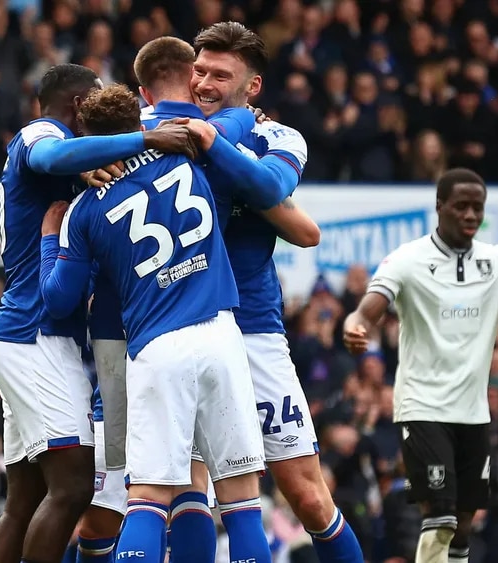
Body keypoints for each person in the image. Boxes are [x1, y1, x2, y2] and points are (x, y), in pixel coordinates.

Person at [38, 85, 271, 563]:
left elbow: (59, 299)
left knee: (147, 499)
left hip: (157, 347)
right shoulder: (186, 151)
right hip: (222, 335)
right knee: (241, 502)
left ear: (90, 140)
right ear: (137, 123)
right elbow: (237, 121)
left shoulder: (83, 209)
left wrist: (48, 239)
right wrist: (242, 112)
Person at [0, 63, 198, 563]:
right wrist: (146, 137)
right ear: (78, 104)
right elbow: (51, 154)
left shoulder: (77, 167)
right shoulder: (40, 133)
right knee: (74, 487)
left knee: (24, 502)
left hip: (28, 336)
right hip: (37, 336)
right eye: (95, 102)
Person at [182, 21, 365, 563]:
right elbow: (299, 226)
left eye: (221, 75)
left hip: (254, 329)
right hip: (181, 325)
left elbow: (276, 190)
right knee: (189, 491)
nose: (204, 83)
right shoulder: (167, 135)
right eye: (199, 71)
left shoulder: (279, 138)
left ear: (252, 86)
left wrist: (216, 144)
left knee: (307, 495)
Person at [341, 167, 498, 563]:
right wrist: (354, 326)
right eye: (461, 206)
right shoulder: (408, 259)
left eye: (477, 208)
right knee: (441, 515)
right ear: (440, 206)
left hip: (473, 412)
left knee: (464, 525)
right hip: (422, 406)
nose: (470, 215)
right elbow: (366, 310)